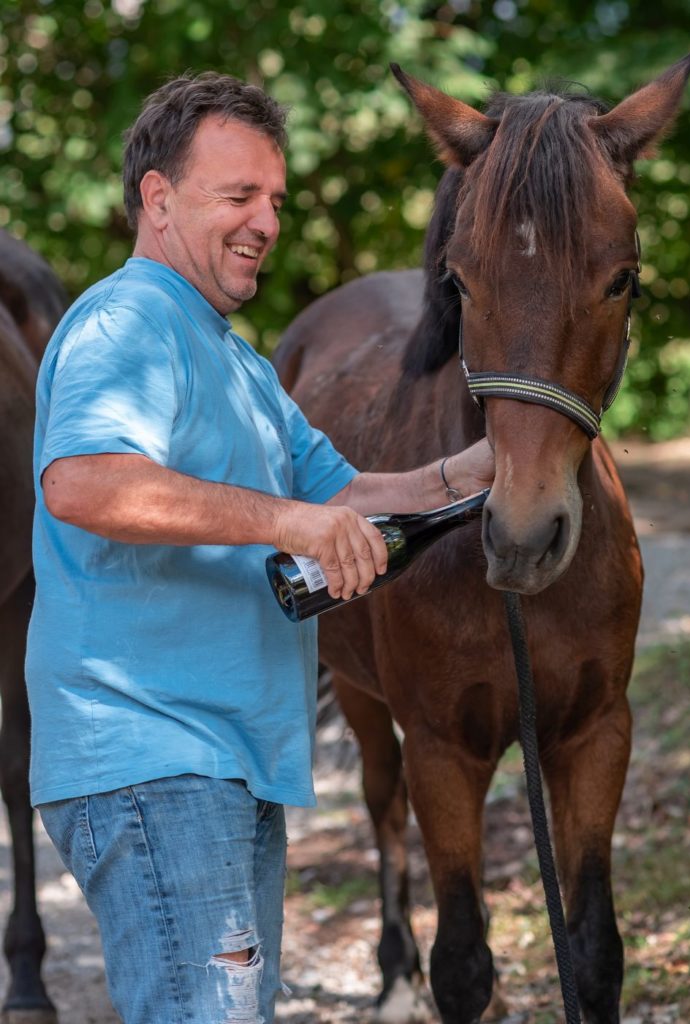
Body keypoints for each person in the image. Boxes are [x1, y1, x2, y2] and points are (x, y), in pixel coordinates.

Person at [27, 72, 494, 1024]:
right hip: (151, 753)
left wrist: (495, 461)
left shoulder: (233, 356)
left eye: (273, 200)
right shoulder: (128, 321)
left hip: (227, 760)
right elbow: (82, 482)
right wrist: (287, 523)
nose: (264, 221)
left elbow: (349, 494)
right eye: (237, 196)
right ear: (158, 199)